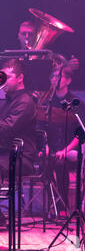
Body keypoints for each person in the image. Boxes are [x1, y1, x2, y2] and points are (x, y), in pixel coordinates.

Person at [35, 63, 85, 215]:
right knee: (46, 161)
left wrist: (66, 149)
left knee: (60, 162)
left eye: (59, 76)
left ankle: (62, 206)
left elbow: (81, 133)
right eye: (52, 76)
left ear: (68, 80)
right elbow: (41, 128)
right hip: (51, 146)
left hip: (71, 148)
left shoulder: (77, 102)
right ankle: (52, 205)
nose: (55, 79)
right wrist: (44, 147)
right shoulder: (47, 103)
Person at [0, 59, 37, 226]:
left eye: (6, 77)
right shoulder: (9, 100)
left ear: (20, 78)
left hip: (20, 157)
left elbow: (7, 130)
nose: (2, 81)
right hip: (6, 153)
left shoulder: (25, 101)